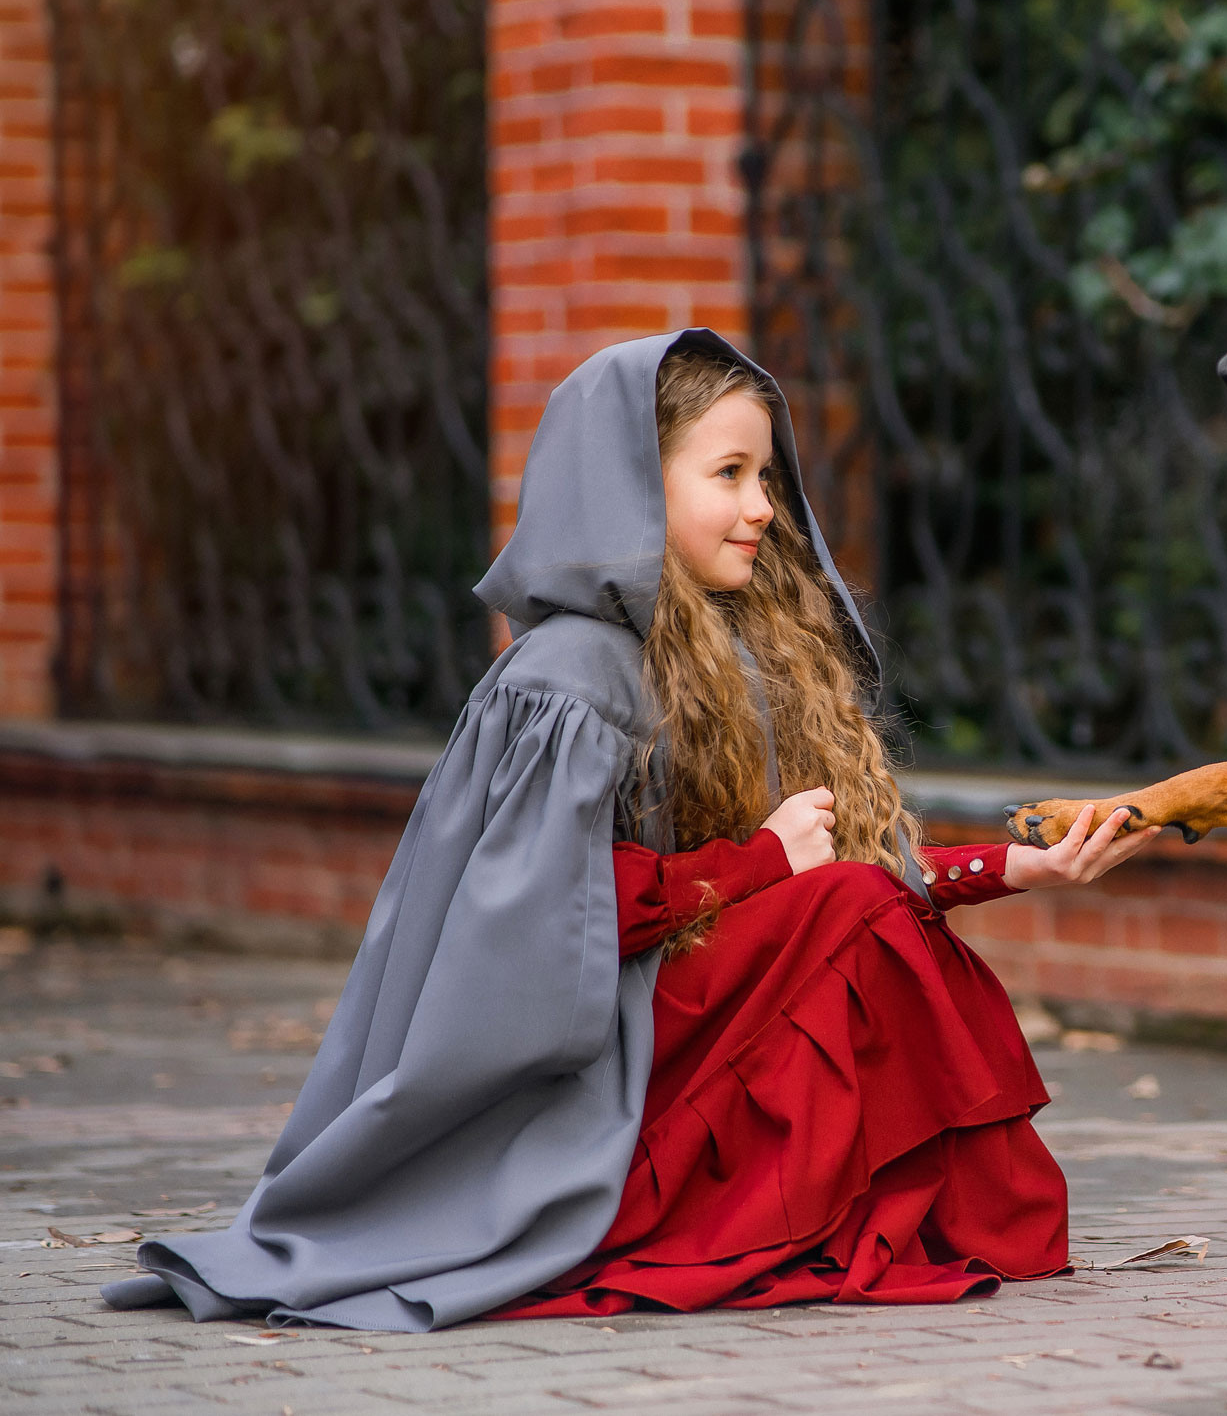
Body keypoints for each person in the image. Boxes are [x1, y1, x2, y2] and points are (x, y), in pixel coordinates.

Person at [100, 330, 1156, 1329]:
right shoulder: (569, 675)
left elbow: (833, 863)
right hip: (595, 1050)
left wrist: (1015, 867)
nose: (765, 511)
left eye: (766, 478)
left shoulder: (746, 650)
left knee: (856, 898)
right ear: (629, 486)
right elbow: (547, 924)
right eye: (729, 476)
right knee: (848, 902)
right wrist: (758, 863)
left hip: (694, 1000)